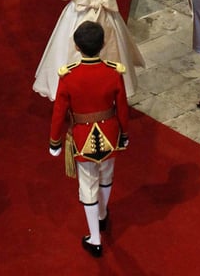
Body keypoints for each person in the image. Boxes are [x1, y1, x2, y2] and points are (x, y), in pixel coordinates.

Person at [49, 19, 129, 259]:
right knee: (107, 176)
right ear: (103, 44)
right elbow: (123, 108)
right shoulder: (113, 72)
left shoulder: (68, 76)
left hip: (83, 137)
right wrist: (124, 134)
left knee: (88, 184)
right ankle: (103, 215)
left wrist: (54, 141)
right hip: (110, 133)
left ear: (76, 46)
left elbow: (59, 112)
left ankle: (94, 238)